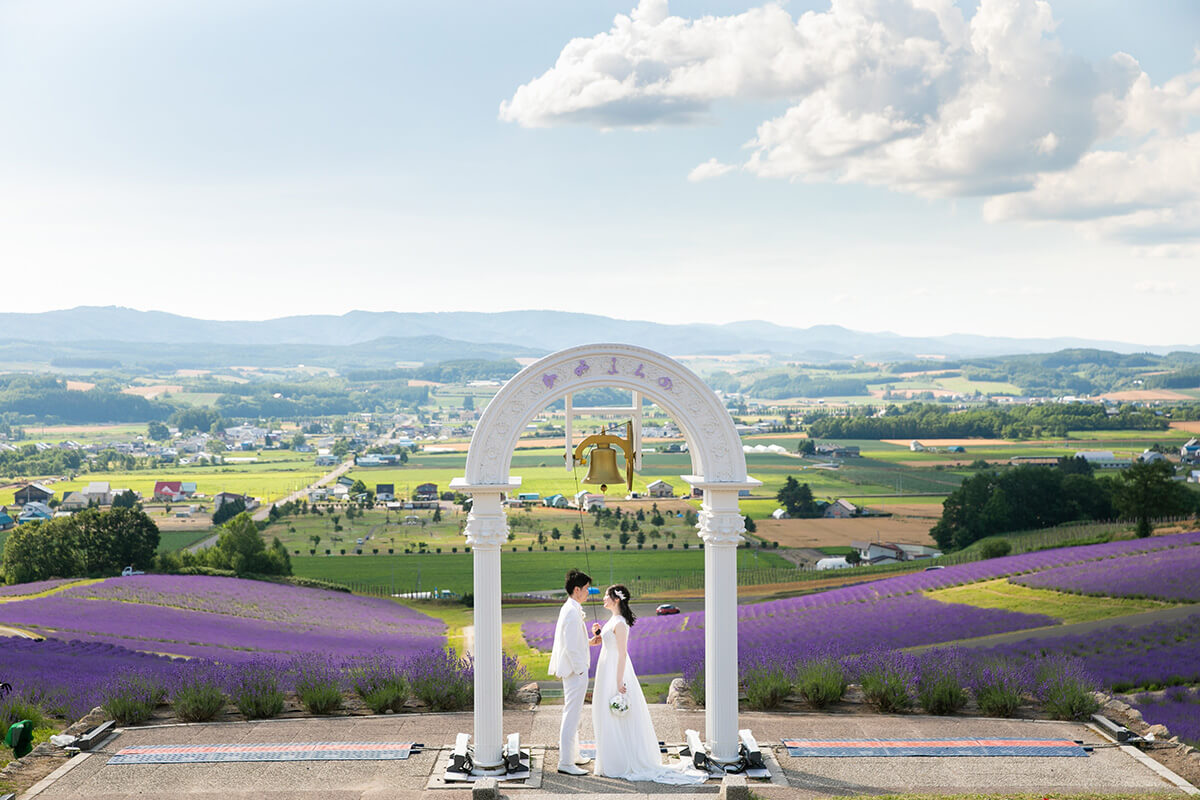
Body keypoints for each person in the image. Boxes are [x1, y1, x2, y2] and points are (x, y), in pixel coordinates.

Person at [591, 584, 708, 784]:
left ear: (616, 599)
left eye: (606, 596)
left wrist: (619, 681)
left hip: (615, 671)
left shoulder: (620, 623)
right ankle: (610, 759)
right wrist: (597, 635)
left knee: (616, 714)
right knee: (605, 713)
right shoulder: (612, 620)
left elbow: (621, 653)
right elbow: (604, 642)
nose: (603, 598)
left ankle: (619, 762)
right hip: (606, 670)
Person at [548, 568, 600, 775]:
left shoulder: (572, 607)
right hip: (574, 671)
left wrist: (589, 642)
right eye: (586, 588)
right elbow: (569, 646)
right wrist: (580, 670)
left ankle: (574, 755)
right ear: (577, 589)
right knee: (571, 715)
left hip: (575, 669)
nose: (588, 592)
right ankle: (565, 762)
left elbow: (575, 642)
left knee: (575, 714)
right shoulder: (570, 611)